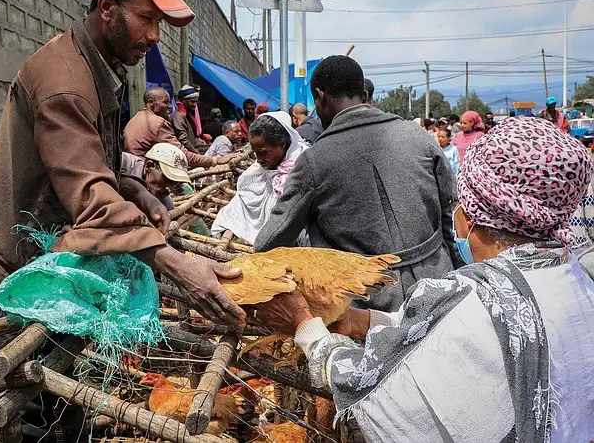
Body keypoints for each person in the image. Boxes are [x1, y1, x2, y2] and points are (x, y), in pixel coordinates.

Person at [252, 117, 594, 442]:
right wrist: (361, 322)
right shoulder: (579, 281)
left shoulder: (463, 295)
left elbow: (361, 381)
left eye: (460, 200)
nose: (456, 209)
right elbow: (432, 330)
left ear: (477, 213)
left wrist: (304, 325)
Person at [0, 0, 245, 328]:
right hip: (6, 268)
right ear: (107, 7)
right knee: (32, 379)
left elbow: (93, 159)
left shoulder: (101, 66)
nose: (155, 36)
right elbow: (90, 193)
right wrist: (181, 267)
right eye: (146, 19)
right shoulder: (65, 85)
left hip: (42, 255)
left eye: (159, 22)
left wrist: (132, 187)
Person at [254, 55, 460, 312]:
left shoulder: (314, 161)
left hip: (365, 309)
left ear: (319, 96)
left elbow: (270, 240)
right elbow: (448, 217)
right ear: (363, 94)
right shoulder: (420, 137)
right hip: (440, 290)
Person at [212, 112, 308, 245]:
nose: (258, 159)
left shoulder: (303, 167)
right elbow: (242, 198)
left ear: (282, 145)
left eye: (263, 153)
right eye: (255, 153)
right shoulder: (257, 171)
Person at [124, 87, 234, 168]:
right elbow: (181, 154)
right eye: (166, 102)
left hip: (132, 171)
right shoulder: (160, 123)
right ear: (151, 102)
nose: (169, 106)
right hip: (146, 174)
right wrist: (215, 160)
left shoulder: (134, 119)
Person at [121, 143, 190, 210]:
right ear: (149, 166)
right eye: (167, 179)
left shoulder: (159, 190)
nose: (170, 189)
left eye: (175, 183)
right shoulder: (121, 166)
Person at [169, 85, 205, 152]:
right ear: (183, 101)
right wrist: (196, 154)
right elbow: (184, 141)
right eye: (192, 102)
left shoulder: (188, 115)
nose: (195, 105)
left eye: (196, 102)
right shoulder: (178, 116)